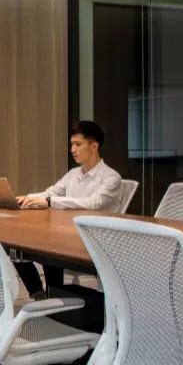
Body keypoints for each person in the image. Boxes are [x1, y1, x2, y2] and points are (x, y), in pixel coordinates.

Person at [14, 120, 122, 298]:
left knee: (48, 249)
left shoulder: (111, 178)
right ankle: (40, 295)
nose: (73, 150)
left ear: (94, 146)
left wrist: (50, 202)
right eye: (72, 145)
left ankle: (54, 297)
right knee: (17, 247)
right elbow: (51, 192)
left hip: (96, 241)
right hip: (68, 236)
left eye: (78, 144)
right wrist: (28, 197)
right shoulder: (73, 174)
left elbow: (92, 203)